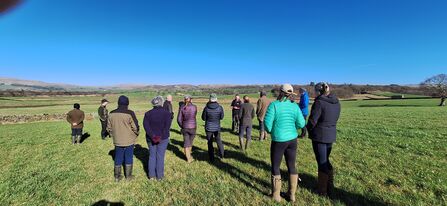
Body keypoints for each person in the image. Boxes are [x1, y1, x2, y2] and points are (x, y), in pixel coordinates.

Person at [264, 84, 306, 203]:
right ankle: (291, 194)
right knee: (291, 166)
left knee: (276, 166)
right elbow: (301, 124)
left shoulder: (274, 105)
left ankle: (276, 196)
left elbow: (267, 124)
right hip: (292, 139)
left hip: (278, 140)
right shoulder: (294, 106)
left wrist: (272, 131)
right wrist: (294, 127)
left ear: (280, 92)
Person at [306, 82, 340, 196]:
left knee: (322, 162)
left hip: (319, 136)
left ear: (319, 91)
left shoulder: (319, 103)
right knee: (326, 160)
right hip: (330, 135)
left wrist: (307, 128)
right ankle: (330, 185)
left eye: (315, 91)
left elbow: (312, 121)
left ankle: (322, 190)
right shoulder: (336, 102)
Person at [107, 95, 139, 182]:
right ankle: (128, 176)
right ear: (127, 103)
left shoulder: (111, 113)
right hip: (129, 140)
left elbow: (108, 128)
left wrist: (113, 135)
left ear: (118, 103)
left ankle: (117, 177)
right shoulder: (130, 113)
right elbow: (135, 127)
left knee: (118, 157)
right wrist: (136, 134)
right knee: (128, 156)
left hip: (117, 139)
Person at [144, 96, 172, 180]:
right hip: (163, 138)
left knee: (152, 156)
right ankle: (160, 176)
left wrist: (152, 136)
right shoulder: (167, 113)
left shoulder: (148, 114)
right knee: (160, 156)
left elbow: (146, 126)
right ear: (162, 103)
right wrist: (161, 137)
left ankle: (151, 176)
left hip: (151, 138)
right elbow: (167, 127)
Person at [201, 93, 225, 162]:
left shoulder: (206, 108)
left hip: (208, 128)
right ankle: (222, 154)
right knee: (218, 141)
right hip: (217, 127)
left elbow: (203, 118)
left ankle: (211, 157)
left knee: (210, 142)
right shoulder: (220, 107)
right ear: (216, 99)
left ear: (209, 99)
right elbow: (222, 117)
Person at [177, 95, 197, 163]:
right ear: (190, 100)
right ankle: (189, 156)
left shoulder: (182, 108)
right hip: (193, 127)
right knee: (190, 143)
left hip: (185, 127)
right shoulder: (194, 107)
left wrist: (182, 126)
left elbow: (179, 119)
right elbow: (194, 116)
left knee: (186, 143)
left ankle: (188, 158)